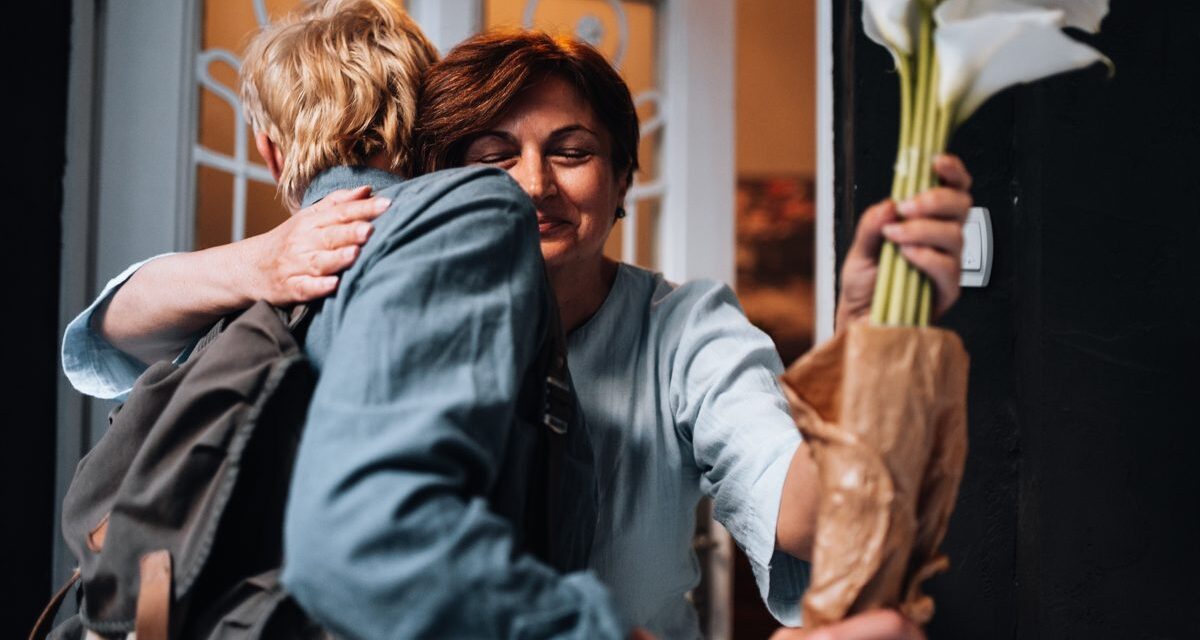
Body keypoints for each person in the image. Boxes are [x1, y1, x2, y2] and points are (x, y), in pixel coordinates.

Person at [62, 28, 971, 640]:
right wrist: (257, 261)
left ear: (622, 183)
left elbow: (807, 511)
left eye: (571, 153)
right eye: (491, 158)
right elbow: (106, 335)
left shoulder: (682, 329)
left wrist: (871, 334)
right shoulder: (345, 278)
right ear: (438, 187)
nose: (531, 184)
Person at [72, 2, 638, 637]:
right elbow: (377, 538)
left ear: (270, 151)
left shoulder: (236, 307)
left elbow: (95, 347)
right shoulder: (464, 215)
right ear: (429, 124)